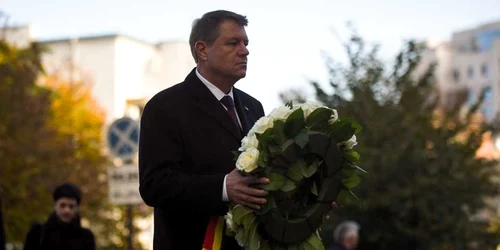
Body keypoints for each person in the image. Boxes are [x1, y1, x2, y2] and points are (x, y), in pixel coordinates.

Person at [139, 10, 269, 250]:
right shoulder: (165, 106)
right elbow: (155, 185)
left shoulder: (253, 106)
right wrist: (223, 188)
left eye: (246, 43)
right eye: (233, 43)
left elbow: (261, 181)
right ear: (202, 50)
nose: (245, 50)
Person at [22, 183, 95, 250]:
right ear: (55, 205)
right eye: (62, 205)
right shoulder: (38, 233)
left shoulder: (86, 237)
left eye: (71, 206)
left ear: (77, 208)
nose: (67, 210)